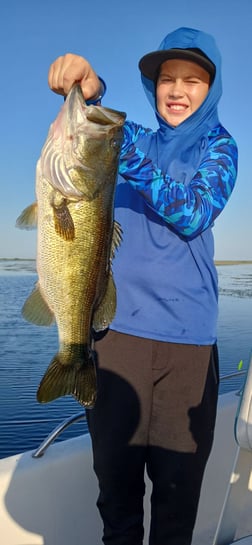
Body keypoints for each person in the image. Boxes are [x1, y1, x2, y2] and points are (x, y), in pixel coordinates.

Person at [48, 27, 238, 545]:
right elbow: (99, 127)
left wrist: (114, 147)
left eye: (192, 81)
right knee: (117, 497)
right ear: (152, 87)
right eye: (166, 79)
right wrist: (90, 86)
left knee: (177, 504)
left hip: (187, 346)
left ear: (211, 89)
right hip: (116, 339)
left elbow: (193, 211)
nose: (176, 90)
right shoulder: (133, 139)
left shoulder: (220, 148)